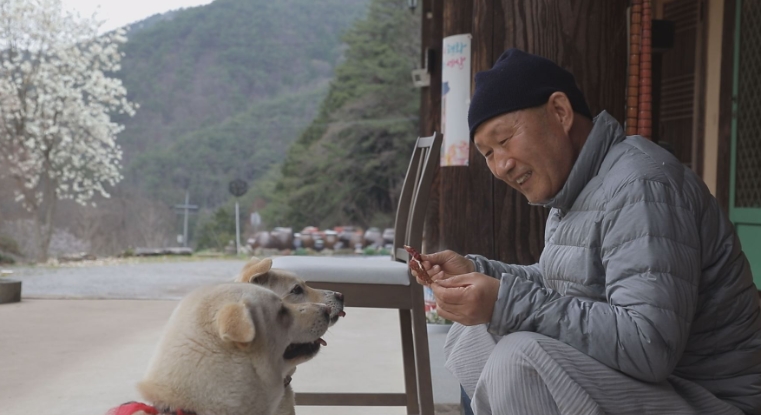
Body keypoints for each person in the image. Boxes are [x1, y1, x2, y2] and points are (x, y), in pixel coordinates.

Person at [413, 48, 761, 415]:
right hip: (658, 389)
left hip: (709, 398)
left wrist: (504, 301)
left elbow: (648, 344)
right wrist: (477, 273)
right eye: (487, 153)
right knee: (474, 334)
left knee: (520, 360)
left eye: (505, 140)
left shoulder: (640, 185)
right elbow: (555, 283)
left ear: (560, 112)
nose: (502, 165)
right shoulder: (576, 190)